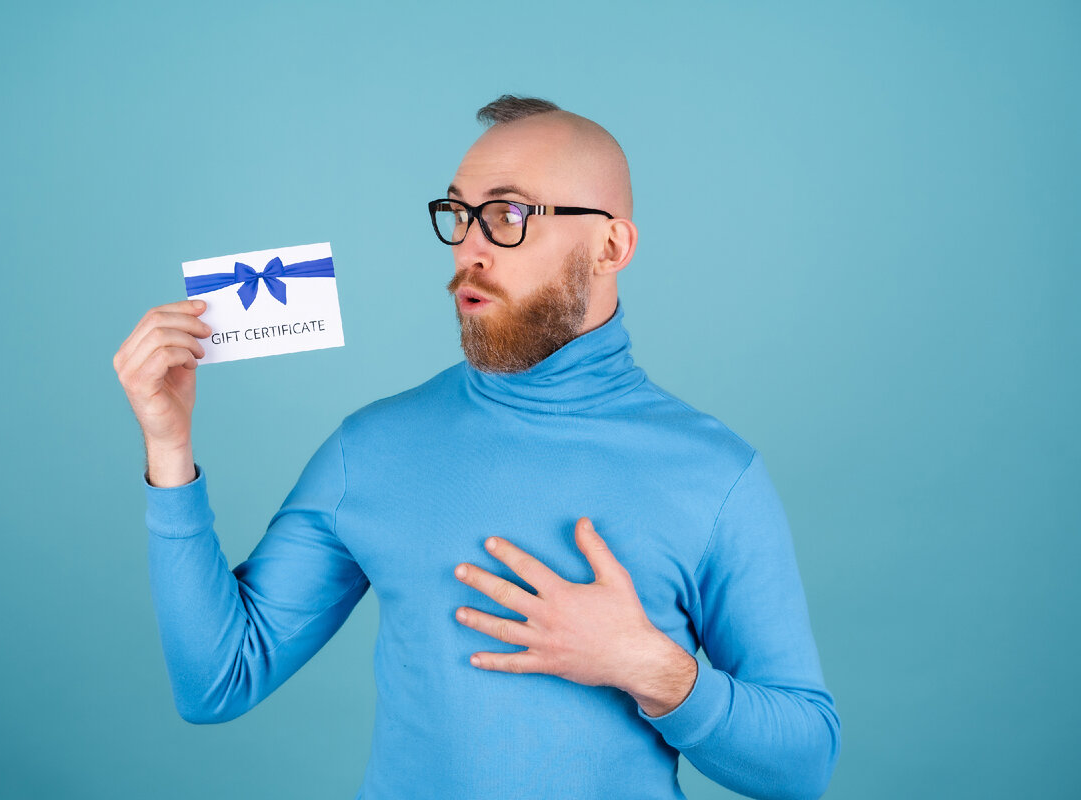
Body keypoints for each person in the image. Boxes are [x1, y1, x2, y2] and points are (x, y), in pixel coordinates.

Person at [113, 95, 841, 800]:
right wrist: (168, 447)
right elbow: (218, 682)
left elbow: (804, 766)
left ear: (611, 245)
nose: (470, 247)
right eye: (459, 215)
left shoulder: (716, 473)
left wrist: (653, 668)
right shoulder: (373, 446)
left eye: (508, 215)